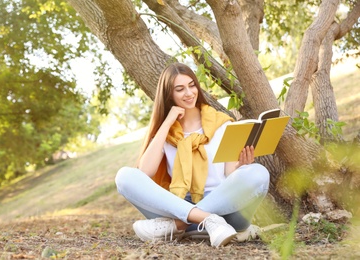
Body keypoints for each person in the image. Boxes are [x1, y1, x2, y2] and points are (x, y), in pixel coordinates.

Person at [115, 62, 270, 248]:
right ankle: (206, 221)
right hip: (178, 204)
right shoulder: (167, 133)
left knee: (258, 172)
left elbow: (230, 174)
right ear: (169, 95)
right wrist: (167, 122)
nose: (189, 93)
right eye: (180, 89)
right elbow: (144, 172)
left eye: (191, 85)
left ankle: (179, 226)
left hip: (224, 211)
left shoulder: (221, 124)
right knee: (124, 176)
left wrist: (241, 166)